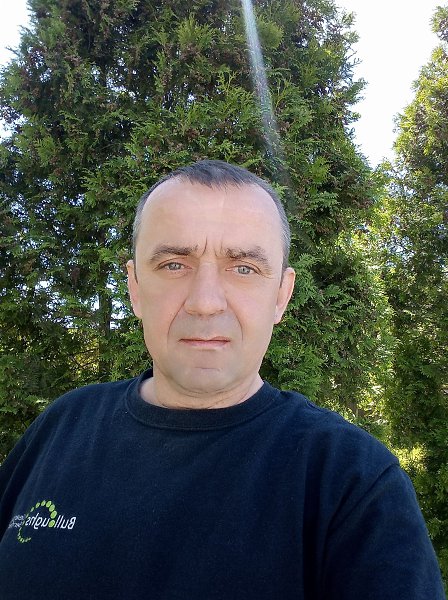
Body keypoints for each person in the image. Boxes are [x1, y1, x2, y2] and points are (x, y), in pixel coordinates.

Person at [0, 160, 445, 599]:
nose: (205, 302)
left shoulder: (352, 482)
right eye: (174, 264)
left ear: (281, 295)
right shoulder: (62, 426)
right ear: (135, 288)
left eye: (244, 268)